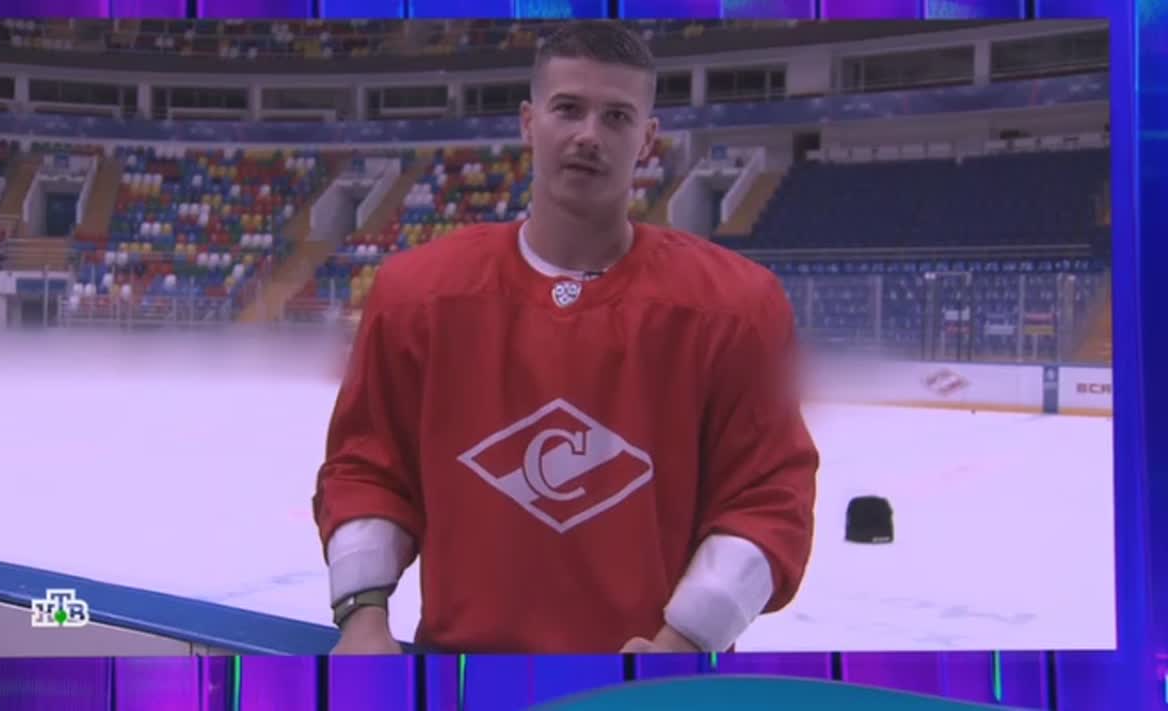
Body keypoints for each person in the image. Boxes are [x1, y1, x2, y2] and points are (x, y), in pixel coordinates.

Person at [313, 20, 819, 655]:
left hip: (650, 686)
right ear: (529, 123)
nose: (588, 135)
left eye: (616, 116)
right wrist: (363, 618)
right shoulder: (418, 295)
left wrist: (685, 641)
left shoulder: (736, 307)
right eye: (568, 109)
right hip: (461, 678)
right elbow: (367, 466)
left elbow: (768, 497)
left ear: (647, 138)